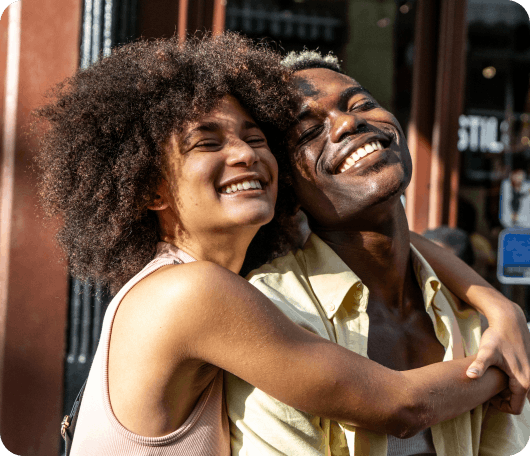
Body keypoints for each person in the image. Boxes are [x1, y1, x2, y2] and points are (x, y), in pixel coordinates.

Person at [35, 34, 527, 455]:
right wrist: (505, 362)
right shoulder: (192, 291)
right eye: (208, 143)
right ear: (150, 190)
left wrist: (499, 306)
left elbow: (396, 238)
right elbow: (400, 405)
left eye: (255, 138)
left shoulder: (217, 272)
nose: (244, 154)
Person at [225, 51, 530, 455]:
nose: (350, 122)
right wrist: (496, 370)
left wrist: (505, 312)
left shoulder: (475, 318)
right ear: (287, 193)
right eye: (308, 132)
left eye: (362, 104)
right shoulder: (273, 310)